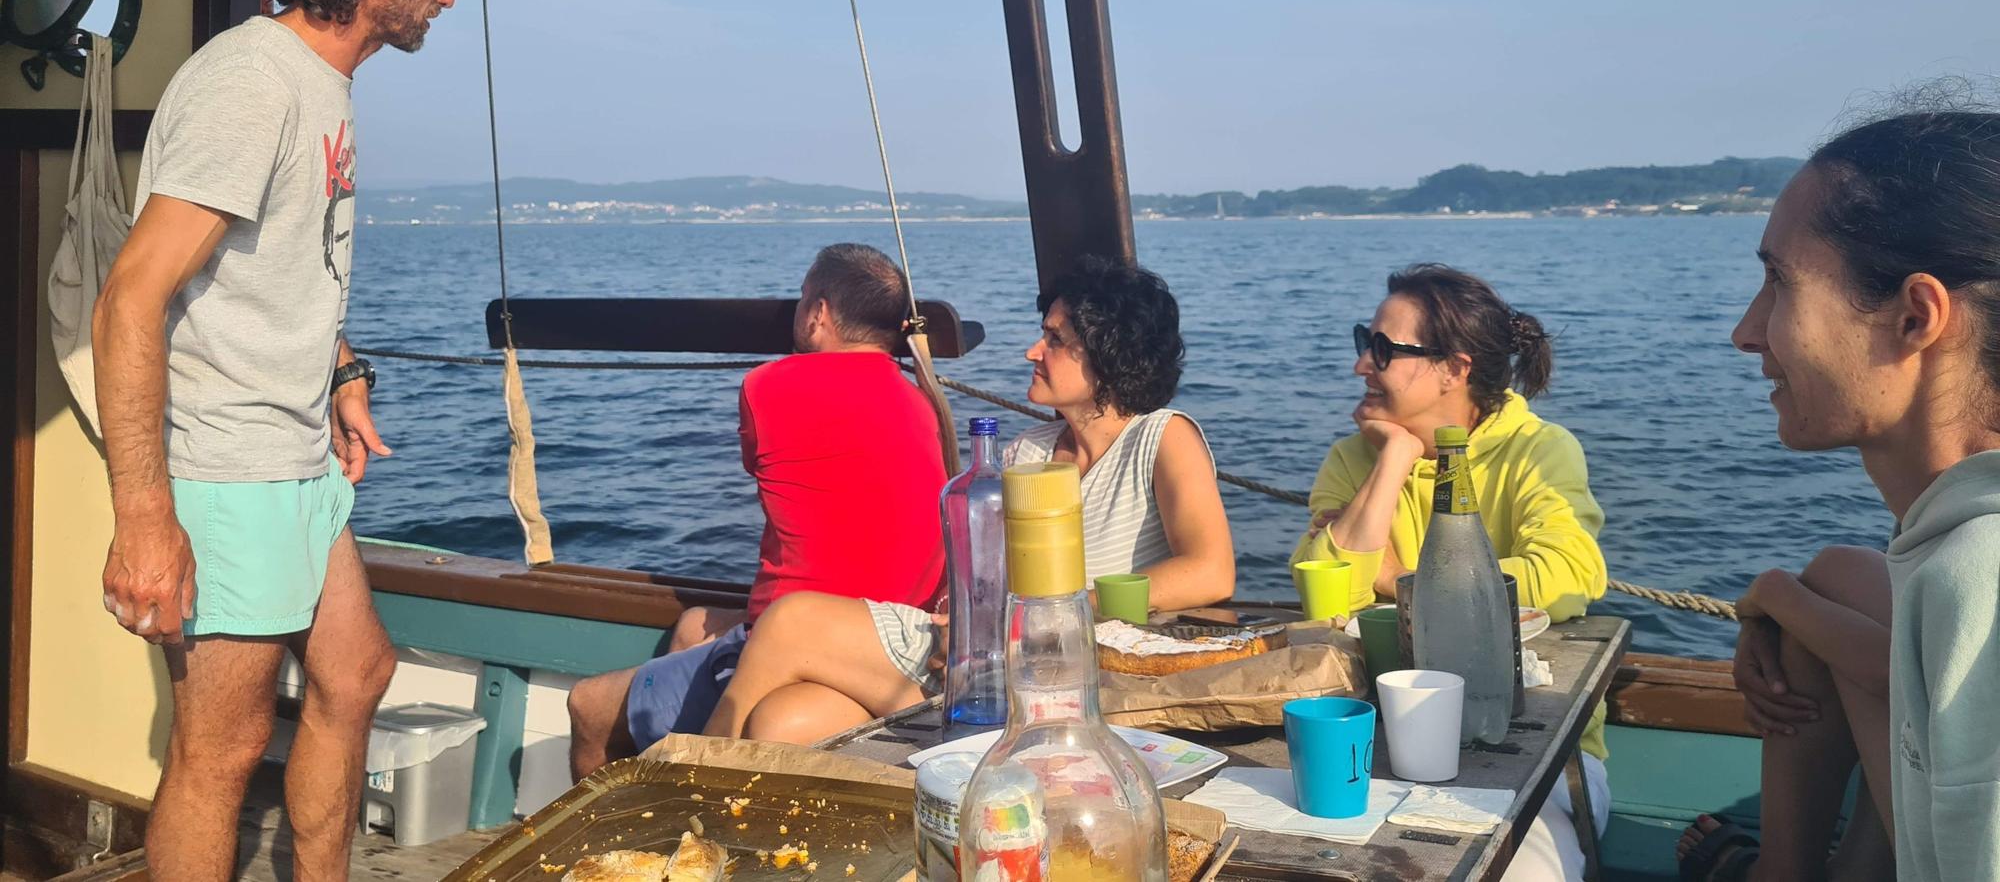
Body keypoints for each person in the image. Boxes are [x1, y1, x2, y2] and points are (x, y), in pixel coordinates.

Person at [91, 0, 504, 880]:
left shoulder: (320, 83)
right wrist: (145, 522)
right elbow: (129, 300)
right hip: (228, 470)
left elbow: (277, 270)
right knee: (218, 755)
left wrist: (344, 374)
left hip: (294, 455)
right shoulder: (251, 83)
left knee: (355, 673)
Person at [701, 257, 1237, 744]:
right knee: (781, 720)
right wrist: (961, 615)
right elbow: (989, 576)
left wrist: (1058, 611)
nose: (1032, 351)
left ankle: (688, 779)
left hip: (1061, 663)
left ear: (1104, 351)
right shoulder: (1029, 451)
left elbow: (1211, 571)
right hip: (983, 655)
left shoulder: (1162, 439)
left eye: (1053, 339)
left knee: (791, 621)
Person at [1675, 105, 2000, 882]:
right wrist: (1785, 595)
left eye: (1779, 283)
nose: (1746, 332)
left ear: (1915, 316)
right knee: (1839, 573)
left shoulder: (1978, 572)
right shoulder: (1952, 541)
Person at [565, 243, 946, 777]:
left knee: (587, 705)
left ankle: (609, 846)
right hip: (881, 641)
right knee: (694, 622)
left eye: (800, 301)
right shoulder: (919, 402)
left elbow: (762, 462)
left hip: (799, 640)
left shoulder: (769, 386)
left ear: (818, 314)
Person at [1291, 263, 1609, 882]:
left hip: (1531, 747)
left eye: (1383, 350)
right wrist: (1398, 458)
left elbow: (1571, 572)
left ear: (1455, 369)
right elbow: (1319, 589)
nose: (1362, 365)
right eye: (1365, 342)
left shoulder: (1538, 452)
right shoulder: (1355, 457)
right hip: (1383, 738)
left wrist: (1401, 581)